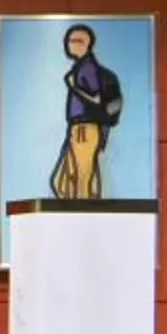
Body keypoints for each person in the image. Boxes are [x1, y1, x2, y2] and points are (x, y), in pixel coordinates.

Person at [47, 22, 123, 201]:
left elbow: (96, 98)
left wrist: (75, 87)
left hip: (85, 128)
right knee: (63, 180)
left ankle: (83, 216)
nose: (71, 44)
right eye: (70, 40)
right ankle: (89, 208)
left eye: (77, 40)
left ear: (87, 44)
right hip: (79, 128)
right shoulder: (82, 66)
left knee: (82, 177)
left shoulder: (87, 68)